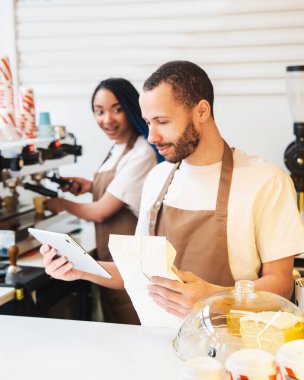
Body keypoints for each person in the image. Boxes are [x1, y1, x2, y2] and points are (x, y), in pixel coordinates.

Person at [40, 61, 304, 321]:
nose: (152, 136)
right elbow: (139, 273)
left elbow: (281, 284)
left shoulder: (266, 180)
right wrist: (80, 267)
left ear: (201, 111)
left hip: (234, 347)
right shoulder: (157, 178)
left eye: (162, 121)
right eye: (147, 122)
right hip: (162, 341)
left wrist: (215, 298)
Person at [44, 78, 160, 324]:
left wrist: (61, 204)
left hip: (128, 265)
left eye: (116, 109)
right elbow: (123, 190)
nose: (107, 119)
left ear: (132, 108)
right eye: (99, 111)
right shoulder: (117, 147)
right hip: (110, 260)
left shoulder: (142, 152)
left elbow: (100, 211)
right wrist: (89, 187)